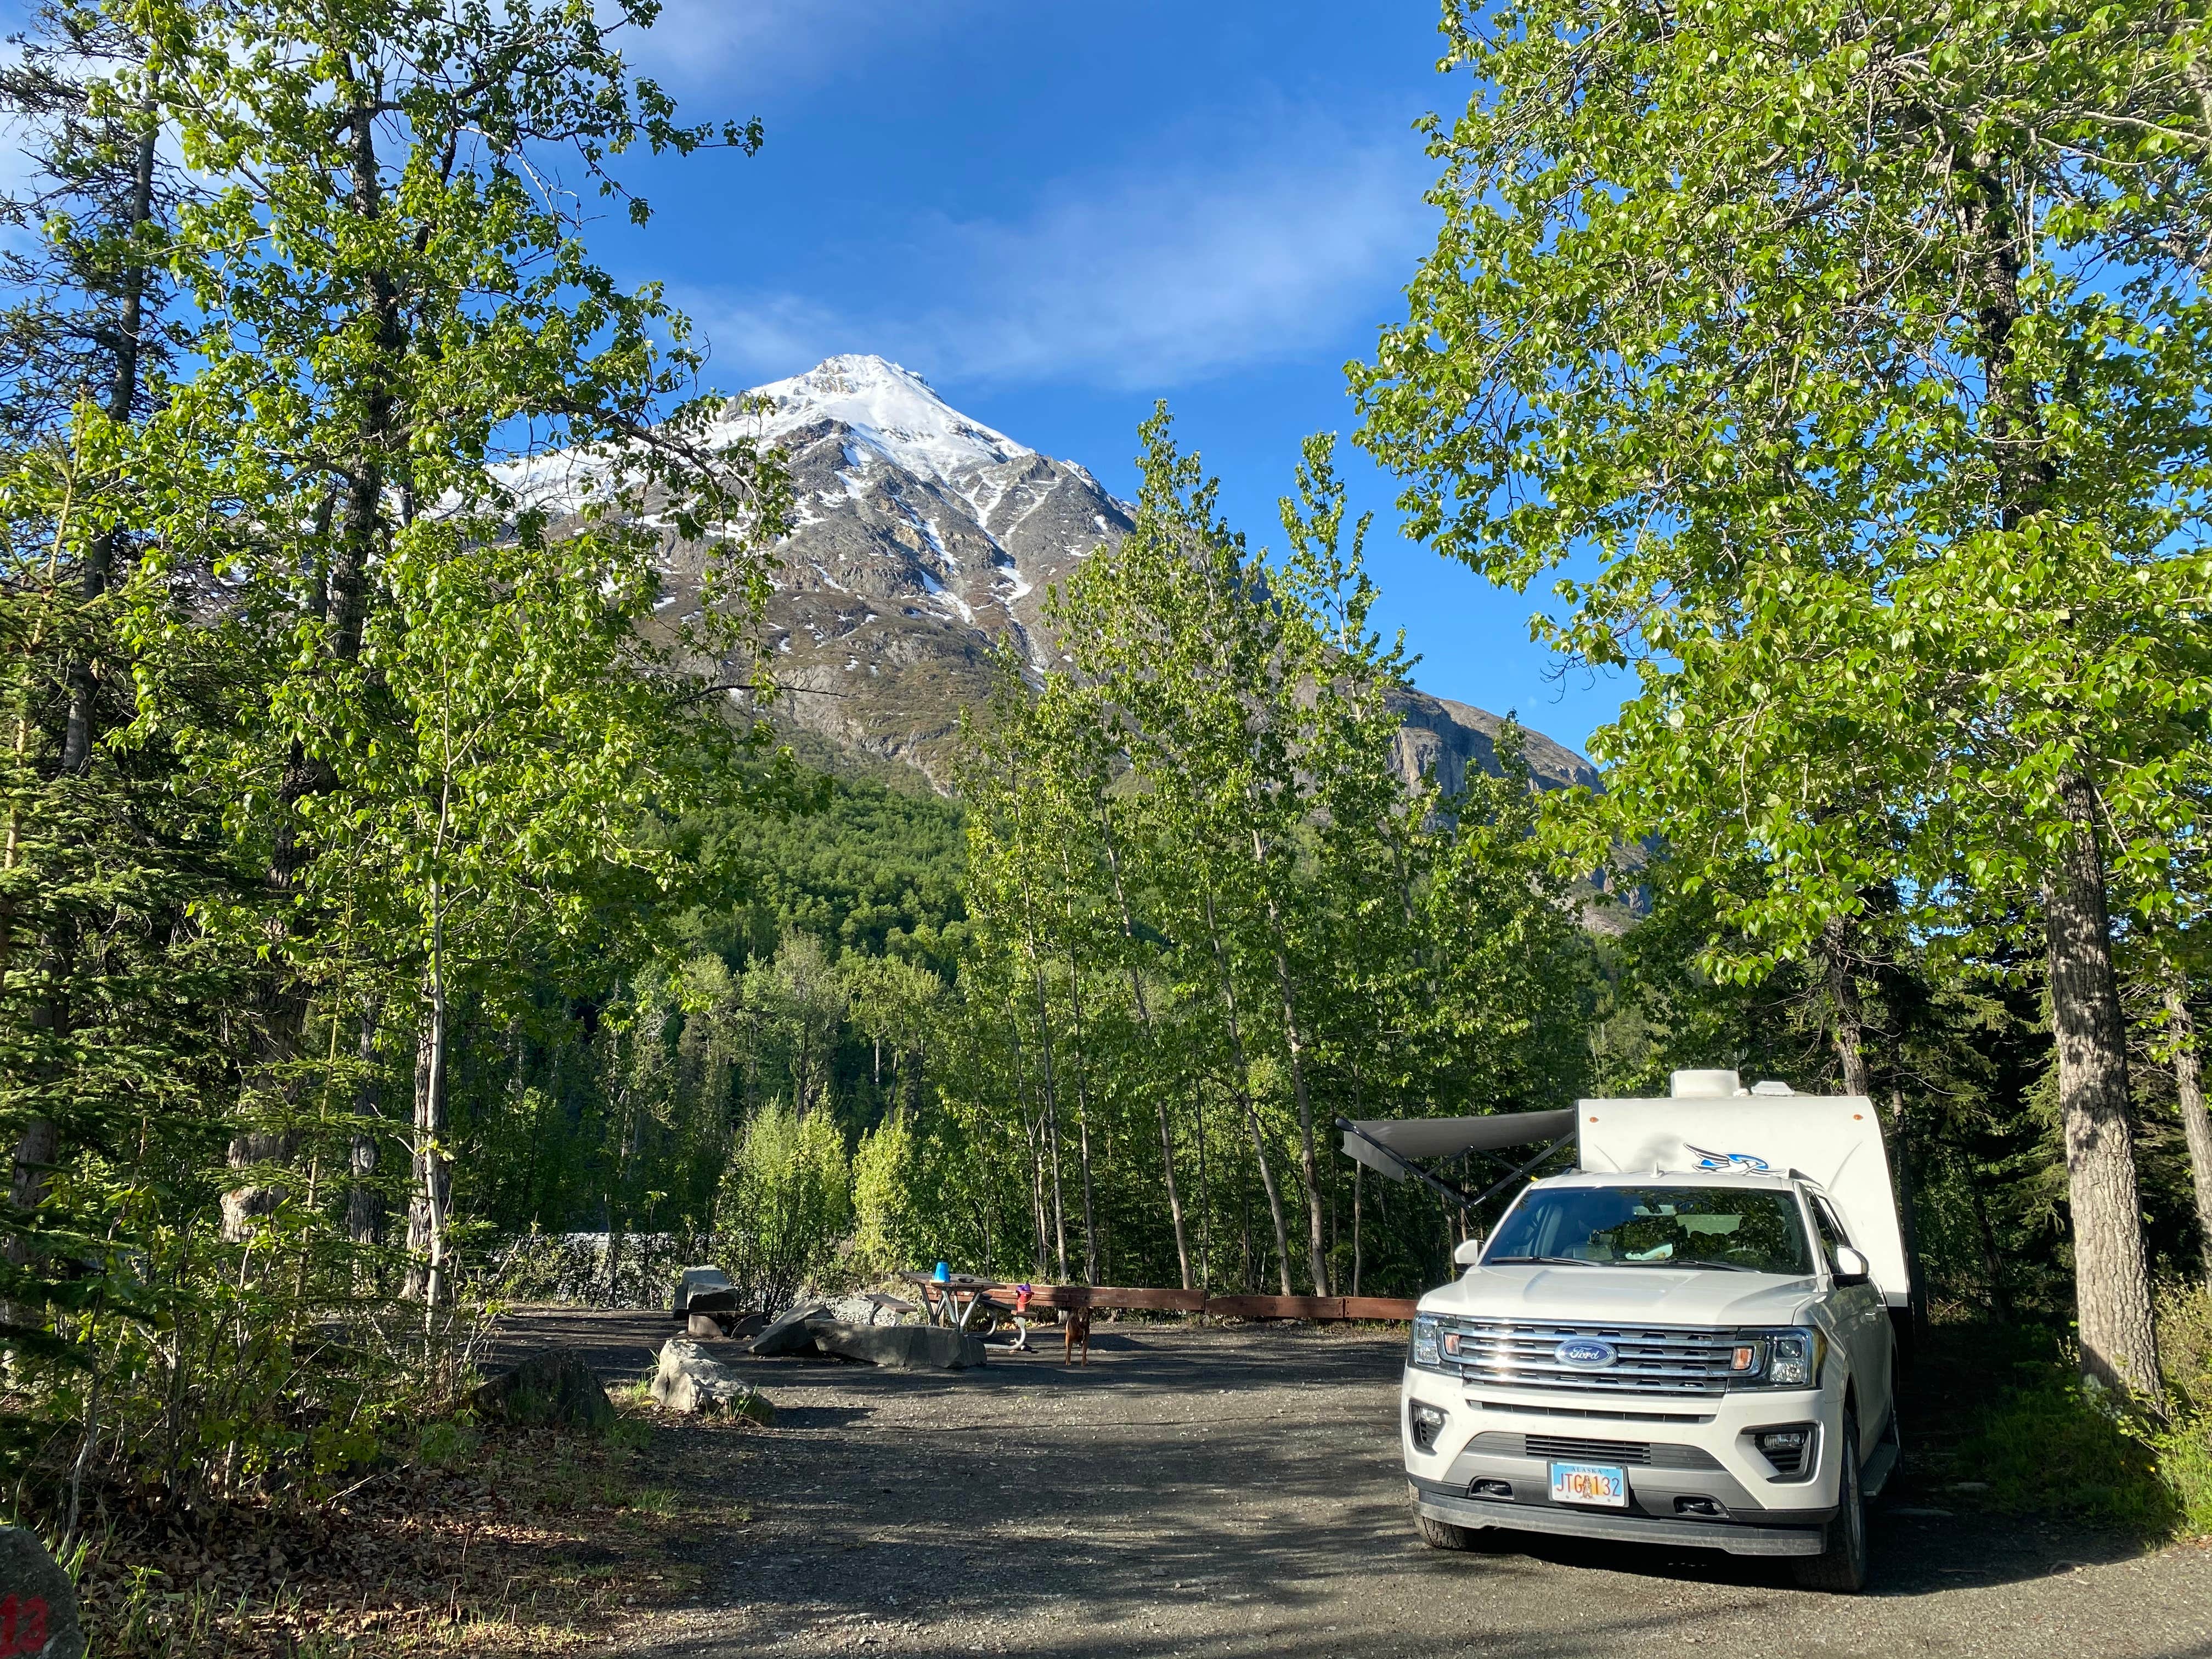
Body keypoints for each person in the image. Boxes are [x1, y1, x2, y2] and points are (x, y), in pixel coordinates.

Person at [1008, 1283, 1035, 1351]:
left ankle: (1021, 1343)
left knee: (1021, 1312)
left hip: (1021, 1309)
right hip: (1021, 1307)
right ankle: (1020, 1343)